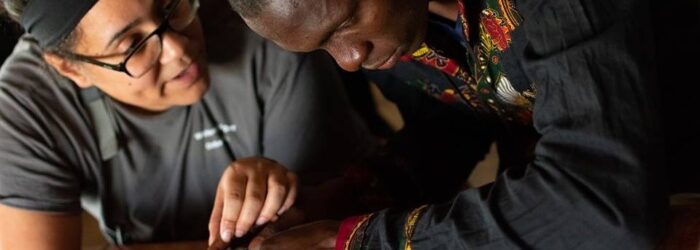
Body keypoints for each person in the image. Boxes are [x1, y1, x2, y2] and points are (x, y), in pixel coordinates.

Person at [227, 0, 668, 249]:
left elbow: (600, 204)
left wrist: (349, 243)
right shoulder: (402, 30)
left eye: (344, 25)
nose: (350, 59)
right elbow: (454, 126)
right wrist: (338, 200)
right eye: (322, 49)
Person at [0, 0, 374, 248]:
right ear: (70, 68)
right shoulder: (26, 104)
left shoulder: (263, 24)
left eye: (170, 7)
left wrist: (281, 195)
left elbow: (338, 223)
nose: (179, 49)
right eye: (133, 45)